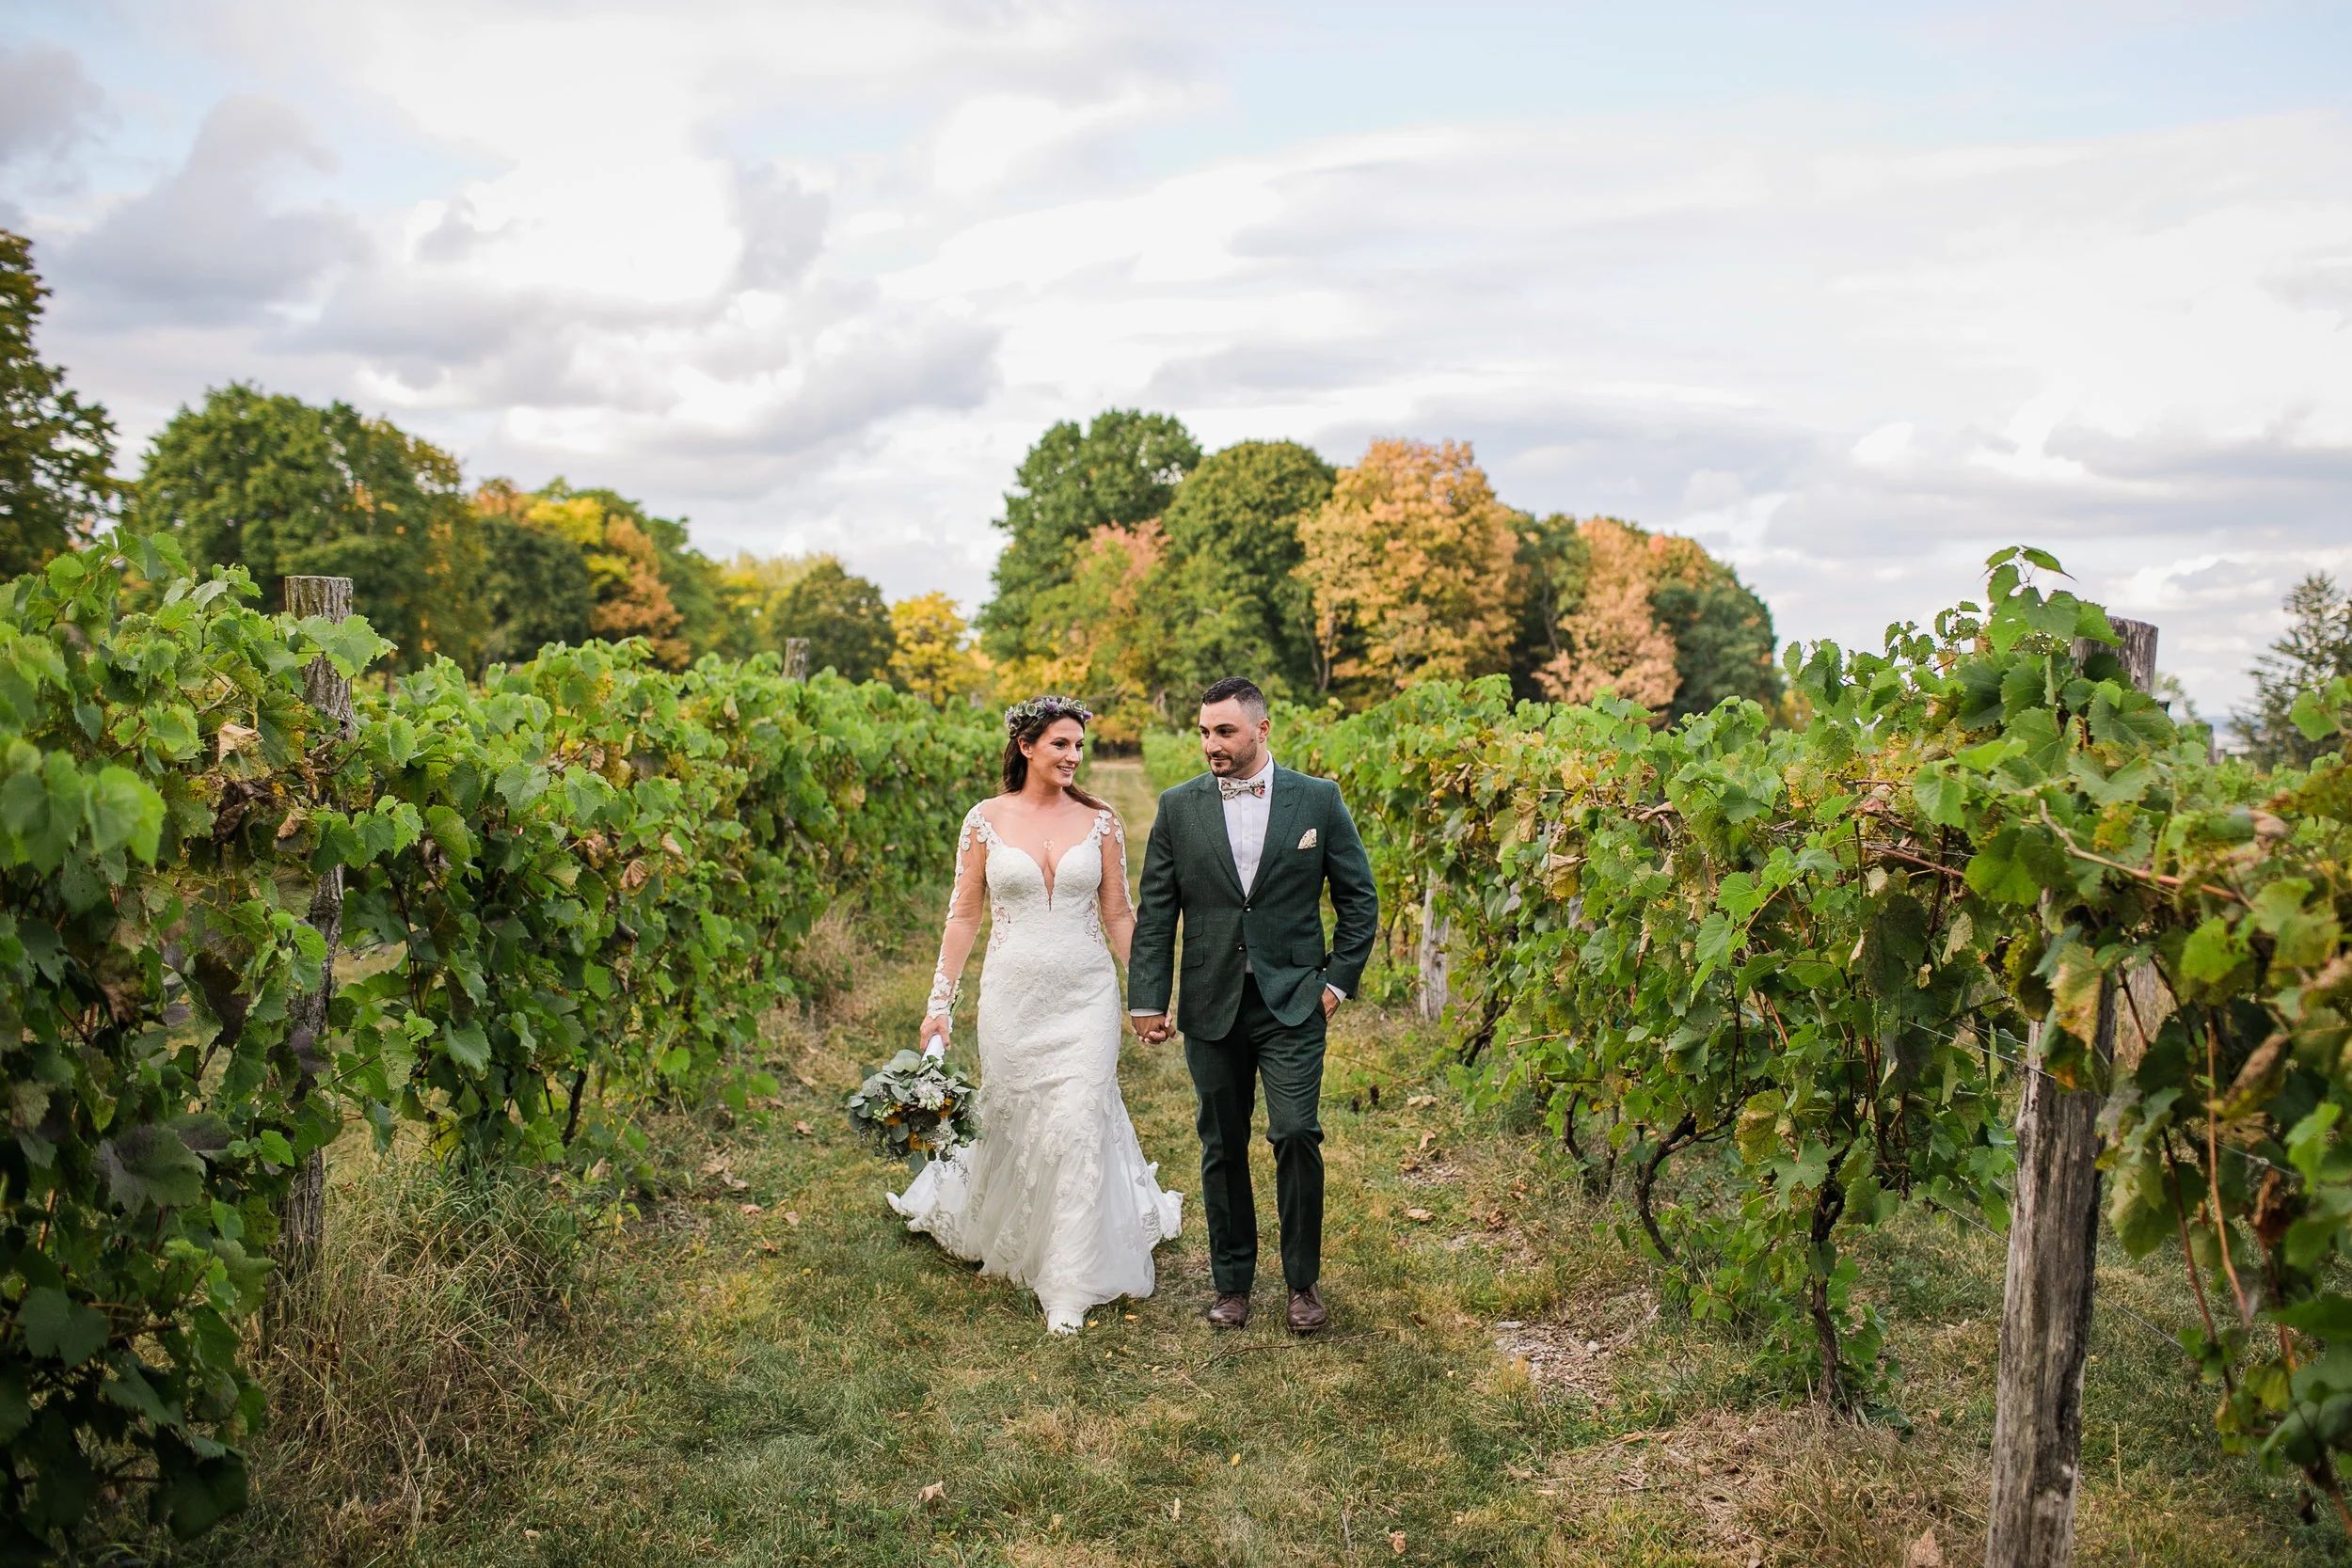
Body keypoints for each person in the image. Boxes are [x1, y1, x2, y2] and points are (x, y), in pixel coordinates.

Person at [890, 695, 1183, 1335]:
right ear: (1026, 746)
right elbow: (964, 914)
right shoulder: (985, 820)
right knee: (1019, 1115)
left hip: (1086, 996)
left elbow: (1118, 915)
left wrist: (1149, 994)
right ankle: (1018, 1232)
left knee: (1079, 1119)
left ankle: (1070, 1285)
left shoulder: (1101, 821)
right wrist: (938, 1004)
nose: (1074, 756)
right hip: (1012, 998)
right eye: (1061, 744)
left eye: (1080, 745)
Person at [1127, 677, 1378, 1334]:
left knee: (1296, 1132)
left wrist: (1335, 984)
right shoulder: (1177, 807)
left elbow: (1360, 899)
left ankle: (1302, 1283)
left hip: (1294, 1000)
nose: (1212, 743)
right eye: (1205, 731)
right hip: (1210, 1003)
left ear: (1261, 730)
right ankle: (1232, 1281)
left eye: (1225, 731)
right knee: (1221, 1142)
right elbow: (1157, 913)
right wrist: (1148, 998)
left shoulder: (1318, 799)